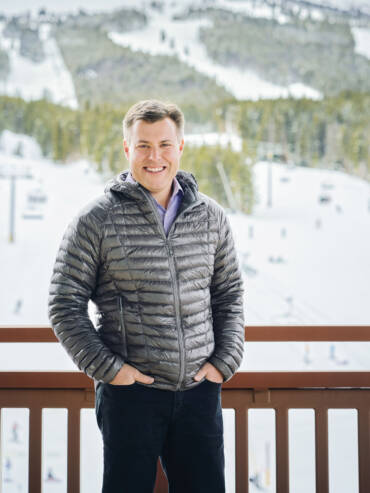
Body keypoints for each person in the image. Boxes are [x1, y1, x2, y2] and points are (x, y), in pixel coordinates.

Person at [48, 99, 245, 493]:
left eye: (165, 144)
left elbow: (228, 293)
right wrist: (111, 371)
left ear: (181, 147)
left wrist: (224, 361)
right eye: (143, 145)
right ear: (127, 149)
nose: (155, 156)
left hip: (199, 393)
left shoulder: (211, 217)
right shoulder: (95, 220)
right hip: (130, 397)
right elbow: (64, 304)